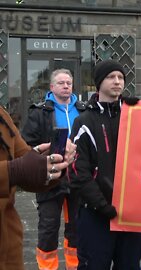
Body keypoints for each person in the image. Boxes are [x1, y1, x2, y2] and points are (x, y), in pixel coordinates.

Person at [69, 60, 141, 269]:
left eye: (121, 77)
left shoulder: (135, 116)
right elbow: (77, 171)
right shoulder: (84, 120)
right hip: (96, 214)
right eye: (111, 77)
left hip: (130, 215)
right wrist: (101, 205)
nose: (117, 82)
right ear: (99, 83)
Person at [21, 68, 85, 269]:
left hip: (78, 176)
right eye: (61, 83)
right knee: (48, 227)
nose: (66, 86)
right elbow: (26, 145)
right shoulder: (39, 112)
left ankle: (75, 266)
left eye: (69, 83)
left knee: (77, 227)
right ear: (51, 87)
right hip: (49, 176)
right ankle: (47, 267)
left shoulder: (84, 110)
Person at [0, 105, 75, 269]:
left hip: (9, 248)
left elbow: (25, 159)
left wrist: (51, 161)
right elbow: (18, 168)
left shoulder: (2, 115)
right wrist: (12, 171)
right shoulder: (39, 113)